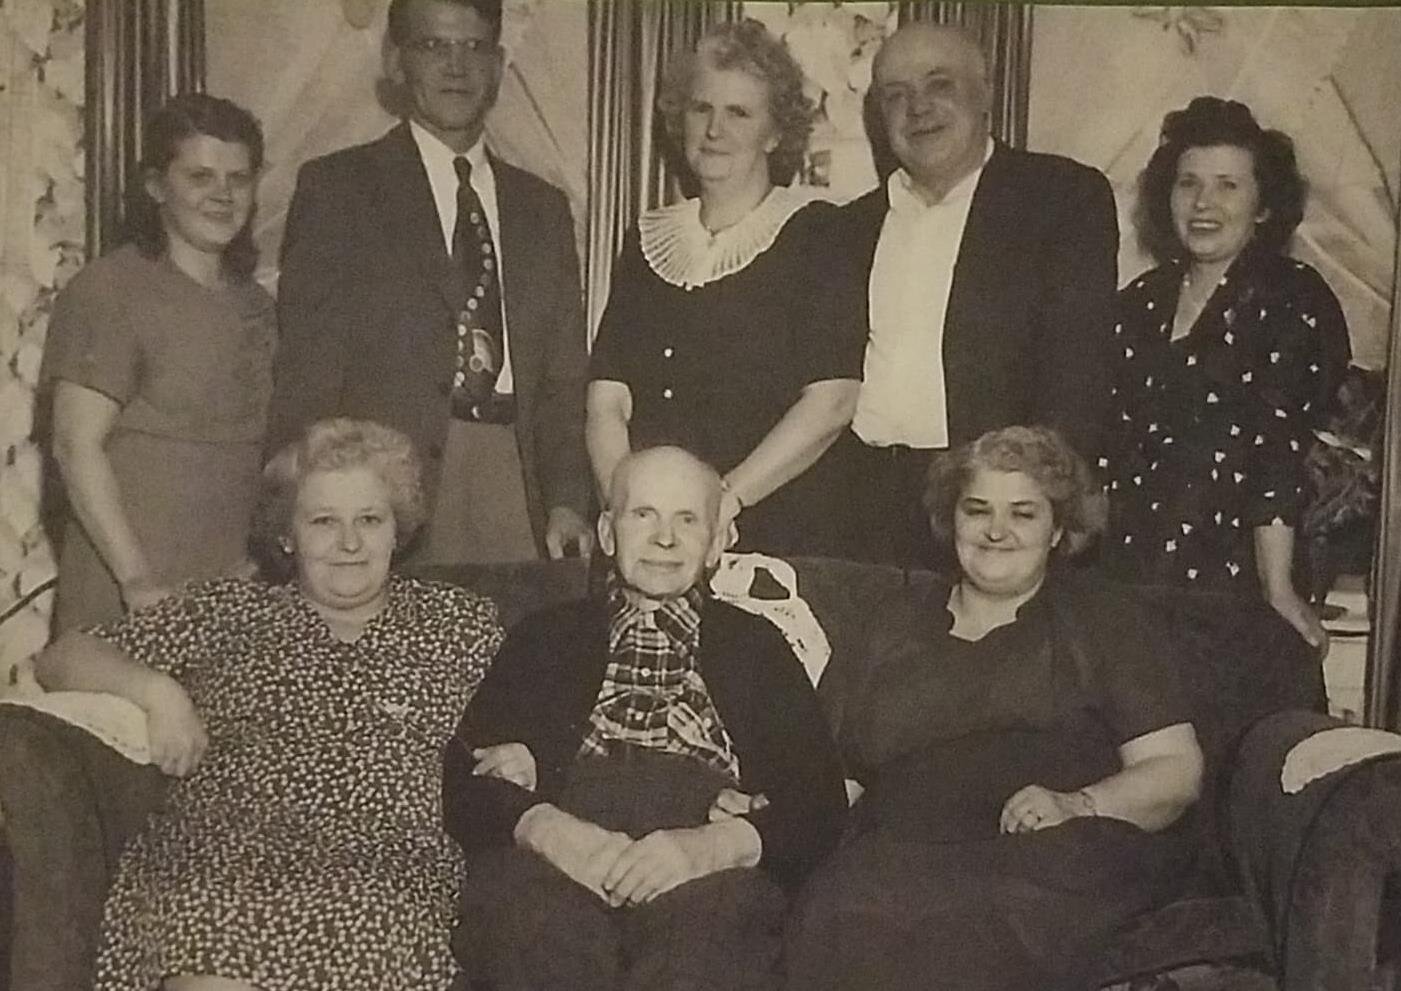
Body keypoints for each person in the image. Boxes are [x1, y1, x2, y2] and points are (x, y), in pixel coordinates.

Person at [35, 419, 504, 991]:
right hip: (225, 850)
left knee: (375, 923)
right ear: (287, 535)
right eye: (324, 521)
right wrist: (158, 692)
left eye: (370, 520)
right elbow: (63, 658)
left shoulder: (457, 622)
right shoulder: (226, 609)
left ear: (397, 530)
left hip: (384, 860)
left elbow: (541, 699)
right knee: (210, 943)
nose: (350, 543)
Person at [785, 426, 1203, 991]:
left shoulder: (1104, 619)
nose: (996, 531)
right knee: (836, 918)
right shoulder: (890, 622)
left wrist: (1077, 804)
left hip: (1047, 852)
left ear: (1059, 529)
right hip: (897, 853)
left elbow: (1175, 770)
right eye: (977, 510)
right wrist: (774, 808)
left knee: (972, 933)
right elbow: (838, 776)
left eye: (1023, 514)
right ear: (950, 521)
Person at [443, 446, 847, 991]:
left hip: (702, 851)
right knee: (528, 928)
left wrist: (713, 847)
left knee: (711, 940)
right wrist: (545, 827)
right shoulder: (546, 635)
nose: (665, 538)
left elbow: (821, 804)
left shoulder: (756, 645)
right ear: (608, 534)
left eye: (688, 519)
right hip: (561, 842)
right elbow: (461, 775)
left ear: (715, 545)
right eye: (643, 515)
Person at [272, 0, 592, 565]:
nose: (456, 66)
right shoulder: (338, 190)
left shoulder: (543, 209)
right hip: (380, 491)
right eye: (433, 46)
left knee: (517, 647)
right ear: (396, 63)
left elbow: (563, 384)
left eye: (474, 48)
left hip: (514, 485)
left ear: (497, 65)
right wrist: (306, 508)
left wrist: (567, 499)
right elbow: (307, 372)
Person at [836, 23, 1118, 568]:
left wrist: (1046, 501)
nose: (918, 108)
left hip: (992, 509)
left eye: (938, 84)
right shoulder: (846, 228)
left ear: (984, 94)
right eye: (896, 95)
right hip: (858, 510)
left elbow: (1078, 366)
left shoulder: (1059, 199)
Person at [587, 20, 864, 558]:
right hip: (652, 544)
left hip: (775, 528)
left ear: (776, 132)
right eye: (701, 109)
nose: (715, 130)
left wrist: (720, 505)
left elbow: (832, 402)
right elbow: (607, 401)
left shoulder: (818, 233)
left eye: (739, 112)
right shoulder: (647, 239)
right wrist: (632, 512)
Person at [1105, 96, 1351, 655]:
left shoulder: (1293, 298)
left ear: (1264, 206)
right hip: (1126, 578)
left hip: (1234, 584)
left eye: (1228, 185)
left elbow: (1277, 452)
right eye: (1188, 183)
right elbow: (1106, 447)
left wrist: (1279, 588)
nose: (1203, 203)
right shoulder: (1139, 303)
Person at [40, 93, 275, 632]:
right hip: (130, 598)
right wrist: (137, 581)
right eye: (200, 177)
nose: (222, 195)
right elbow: (75, 447)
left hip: (230, 597)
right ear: (155, 187)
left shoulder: (258, 307)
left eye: (238, 179)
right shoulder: (110, 290)